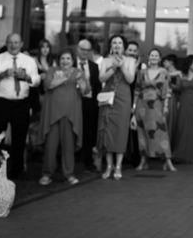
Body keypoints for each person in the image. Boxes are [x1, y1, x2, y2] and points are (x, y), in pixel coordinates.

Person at [0, 33, 40, 179]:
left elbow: (36, 80)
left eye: (16, 42)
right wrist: (3, 74)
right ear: (7, 43)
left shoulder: (29, 60)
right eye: (10, 42)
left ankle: (17, 170)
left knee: (19, 138)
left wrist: (26, 77)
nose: (13, 45)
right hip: (1, 102)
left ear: (21, 44)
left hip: (21, 103)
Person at [39, 49, 87, 186]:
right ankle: (47, 174)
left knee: (68, 146)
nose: (65, 61)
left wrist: (81, 83)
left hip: (70, 114)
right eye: (62, 58)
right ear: (58, 60)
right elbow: (47, 85)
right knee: (51, 145)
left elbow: (85, 91)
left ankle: (69, 174)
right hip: (53, 113)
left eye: (68, 59)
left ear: (72, 60)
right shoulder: (52, 71)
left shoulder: (78, 72)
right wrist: (62, 78)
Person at [97, 35, 136, 180]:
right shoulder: (105, 60)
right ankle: (108, 166)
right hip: (108, 97)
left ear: (124, 46)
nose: (117, 45)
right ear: (111, 45)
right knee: (107, 129)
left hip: (123, 98)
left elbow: (130, 79)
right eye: (114, 42)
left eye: (120, 43)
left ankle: (118, 166)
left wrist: (122, 66)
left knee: (120, 131)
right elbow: (101, 78)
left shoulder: (131, 60)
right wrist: (113, 68)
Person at [132, 48, 176, 172]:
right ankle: (143, 161)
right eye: (152, 55)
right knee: (142, 133)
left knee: (162, 132)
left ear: (160, 58)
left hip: (157, 105)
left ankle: (168, 161)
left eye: (156, 56)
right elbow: (137, 90)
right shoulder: (141, 72)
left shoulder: (164, 72)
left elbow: (166, 91)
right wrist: (134, 108)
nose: (154, 58)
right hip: (142, 105)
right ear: (148, 57)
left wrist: (166, 106)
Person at [75, 39, 101, 172]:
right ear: (77, 49)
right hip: (71, 102)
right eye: (82, 49)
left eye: (88, 50)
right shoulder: (69, 63)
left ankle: (87, 161)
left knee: (88, 133)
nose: (85, 52)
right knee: (71, 131)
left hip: (89, 103)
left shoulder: (94, 66)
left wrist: (96, 105)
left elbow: (97, 87)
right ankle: (71, 160)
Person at [172, 55, 193, 164]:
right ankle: (181, 154)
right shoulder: (181, 75)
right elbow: (177, 88)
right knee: (182, 128)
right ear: (188, 63)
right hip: (184, 104)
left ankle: (192, 156)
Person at [161, 54, 181, 142]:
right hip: (162, 97)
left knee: (170, 121)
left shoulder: (178, 74)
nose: (164, 63)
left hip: (171, 99)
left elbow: (179, 87)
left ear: (171, 62)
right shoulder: (163, 72)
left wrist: (168, 84)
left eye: (165, 61)